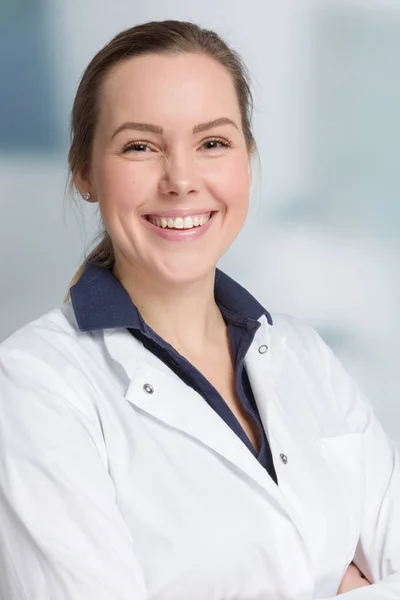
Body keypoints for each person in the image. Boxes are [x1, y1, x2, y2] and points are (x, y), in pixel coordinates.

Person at [0, 19, 396, 600]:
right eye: (140, 146)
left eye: (212, 143)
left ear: (246, 159)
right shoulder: (34, 385)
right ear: (85, 171)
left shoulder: (307, 358)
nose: (181, 180)